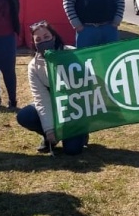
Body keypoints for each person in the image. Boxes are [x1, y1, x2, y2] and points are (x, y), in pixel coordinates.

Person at [16, 20, 89, 155]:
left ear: (53, 37)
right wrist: (49, 129)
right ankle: (49, 138)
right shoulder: (34, 66)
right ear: (34, 43)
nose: (43, 41)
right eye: (38, 39)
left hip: (74, 107)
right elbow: (41, 99)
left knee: (72, 151)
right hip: (52, 105)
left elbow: (88, 84)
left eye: (46, 37)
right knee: (25, 116)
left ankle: (82, 133)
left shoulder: (72, 54)